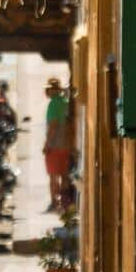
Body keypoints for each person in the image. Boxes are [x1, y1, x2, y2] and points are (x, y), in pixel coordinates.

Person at [43, 78, 74, 212]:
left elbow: (53, 126)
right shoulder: (65, 102)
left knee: (53, 176)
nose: (47, 92)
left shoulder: (53, 104)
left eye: (48, 89)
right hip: (66, 145)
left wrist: (47, 144)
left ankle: (54, 203)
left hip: (55, 146)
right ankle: (65, 203)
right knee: (65, 174)